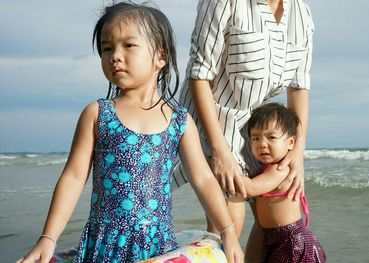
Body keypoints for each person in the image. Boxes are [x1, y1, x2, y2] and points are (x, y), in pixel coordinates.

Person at [16, 2, 243, 262]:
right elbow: (74, 177)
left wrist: (227, 231)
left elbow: (202, 179)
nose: (115, 55)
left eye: (129, 45)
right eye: (106, 48)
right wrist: (48, 238)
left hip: (157, 244)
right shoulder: (98, 114)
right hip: (105, 246)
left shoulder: (179, 121)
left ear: (161, 56)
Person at [173, 0, 314, 261]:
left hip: (258, 129)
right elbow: (199, 74)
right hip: (212, 121)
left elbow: (299, 86)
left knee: (270, 216)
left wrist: (298, 153)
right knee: (229, 221)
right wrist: (219, 151)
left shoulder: (301, 13)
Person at [242, 103, 326, 262]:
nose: (262, 144)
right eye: (255, 138)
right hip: (274, 238)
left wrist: (227, 171)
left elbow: (251, 188)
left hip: (291, 241)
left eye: (271, 137)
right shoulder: (265, 169)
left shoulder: (281, 169)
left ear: (291, 143)